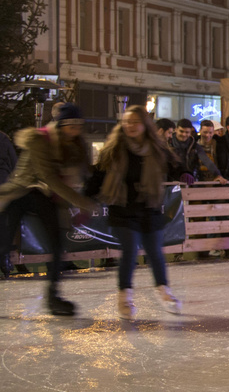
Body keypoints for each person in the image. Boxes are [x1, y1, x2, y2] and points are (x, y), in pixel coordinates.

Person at [0, 103, 97, 313]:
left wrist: (83, 205)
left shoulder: (77, 144)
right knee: (4, 244)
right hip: (22, 191)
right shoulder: (40, 139)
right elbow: (49, 178)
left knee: (57, 244)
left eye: (78, 126)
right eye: (71, 126)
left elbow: (80, 174)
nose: (75, 131)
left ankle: (53, 297)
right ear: (61, 126)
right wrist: (82, 204)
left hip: (46, 196)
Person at [88, 107, 184, 318]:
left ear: (144, 125)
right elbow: (97, 176)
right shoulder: (114, 149)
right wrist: (86, 197)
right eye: (126, 122)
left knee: (155, 252)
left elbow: (176, 165)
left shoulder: (156, 150)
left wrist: (186, 173)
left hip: (148, 208)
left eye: (135, 122)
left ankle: (164, 292)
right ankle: (125, 297)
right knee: (130, 251)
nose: (130, 126)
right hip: (122, 209)